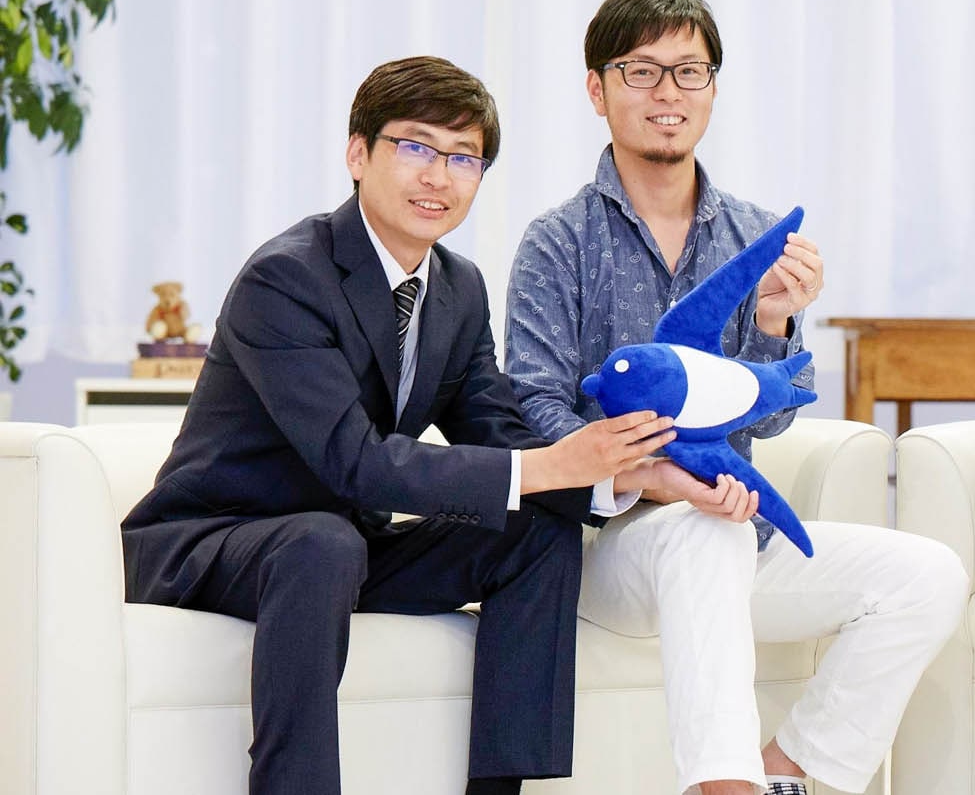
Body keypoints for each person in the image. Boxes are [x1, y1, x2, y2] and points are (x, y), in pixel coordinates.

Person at [121, 56, 685, 795]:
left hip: (342, 548)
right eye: (416, 146)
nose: (438, 176)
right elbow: (353, 461)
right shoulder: (285, 278)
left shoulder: (458, 287)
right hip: (215, 540)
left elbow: (494, 429)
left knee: (533, 532)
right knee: (320, 543)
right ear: (358, 154)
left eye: (463, 158)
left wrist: (622, 476)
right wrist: (552, 465)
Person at [504, 0, 967, 795]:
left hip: (734, 528)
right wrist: (651, 473)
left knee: (928, 575)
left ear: (713, 88)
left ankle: (783, 772)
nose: (669, 93)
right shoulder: (557, 242)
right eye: (642, 71)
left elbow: (773, 417)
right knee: (702, 532)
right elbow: (532, 410)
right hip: (608, 546)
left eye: (690, 72)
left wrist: (779, 322)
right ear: (597, 90)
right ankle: (723, 787)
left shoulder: (754, 235)